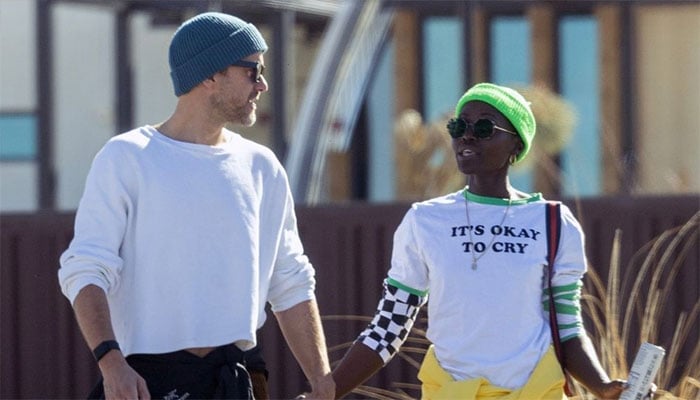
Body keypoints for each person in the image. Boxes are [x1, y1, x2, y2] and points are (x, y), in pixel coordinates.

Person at [58, 12, 334, 400]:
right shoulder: (127, 158)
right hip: (143, 384)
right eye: (253, 71)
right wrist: (111, 363)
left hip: (234, 379)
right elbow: (85, 269)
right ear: (210, 75)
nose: (263, 84)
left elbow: (290, 280)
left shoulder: (262, 166)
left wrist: (323, 382)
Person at [331, 82, 630, 399]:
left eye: (484, 127)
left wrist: (601, 386)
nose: (467, 135)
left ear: (516, 144)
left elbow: (567, 327)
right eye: (459, 126)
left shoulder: (553, 222)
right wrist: (326, 392)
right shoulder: (425, 220)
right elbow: (389, 327)